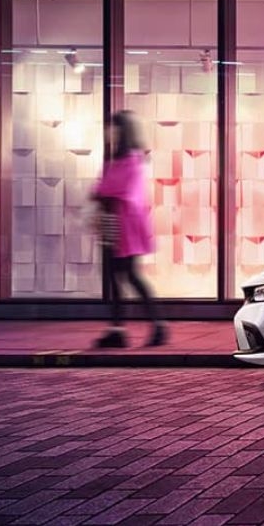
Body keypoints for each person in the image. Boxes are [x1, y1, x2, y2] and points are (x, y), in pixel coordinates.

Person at [92, 110, 165, 348]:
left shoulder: (133, 160)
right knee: (116, 277)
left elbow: (121, 191)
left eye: (113, 127)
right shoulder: (119, 159)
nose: (109, 132)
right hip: (114, 223)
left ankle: (157, 325)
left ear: (123, 131)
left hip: (126, 226)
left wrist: (104, 192)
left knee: (130, 275)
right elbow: (104, 188)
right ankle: (118, 329)